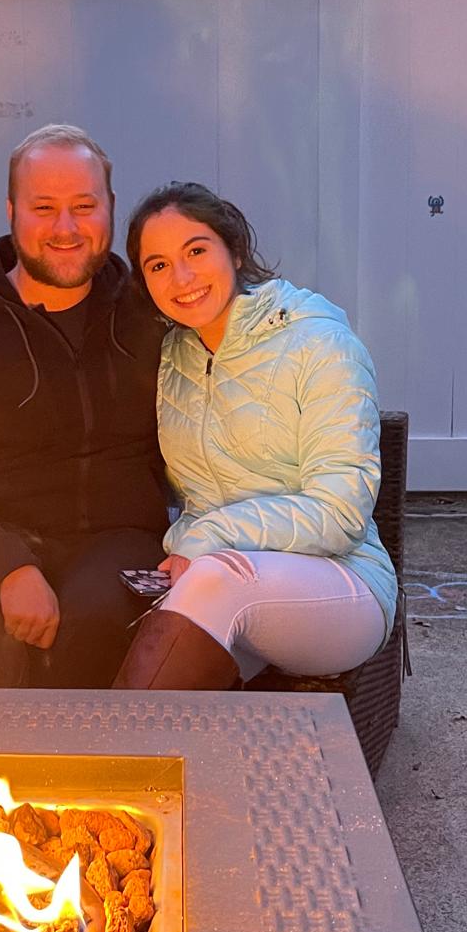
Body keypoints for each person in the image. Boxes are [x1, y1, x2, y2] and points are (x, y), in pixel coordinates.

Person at [0, 124, 168, 687]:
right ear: (12, 211)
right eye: (44, 208)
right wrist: (8, 565)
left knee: (95, 630)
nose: (66, 228)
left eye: (84, 206)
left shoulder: (151, 316)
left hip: (120, 540)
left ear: (110, 208)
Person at [112, 182, 397, 691]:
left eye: (196, 251)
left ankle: (117, 745)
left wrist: (205, 538)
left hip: (342, 584)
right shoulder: (173, 357)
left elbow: (341, 512)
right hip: (221, 583)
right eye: (158, 265)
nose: (181, 277)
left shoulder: (319, 343)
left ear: (236, 250)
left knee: (215, 583)